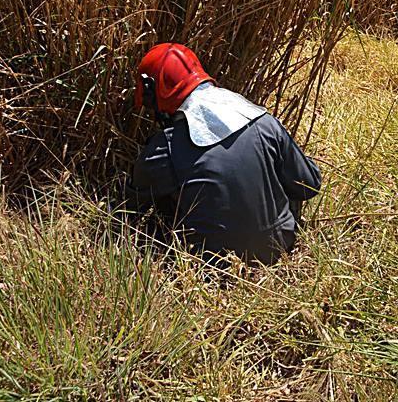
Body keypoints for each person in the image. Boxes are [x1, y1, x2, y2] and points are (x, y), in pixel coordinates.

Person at [126, 42, 321, 265]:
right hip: (282, 248)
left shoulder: (163, 150)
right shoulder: (264, 120)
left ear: (153, 91)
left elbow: (128, 212)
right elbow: (309, 184)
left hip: (215, 267)